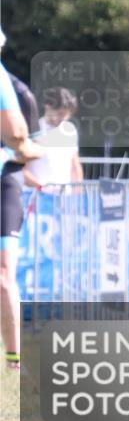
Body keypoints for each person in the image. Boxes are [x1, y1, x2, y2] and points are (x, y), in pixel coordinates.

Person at [0, 56, 41, 371]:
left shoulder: (16, 90)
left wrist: (16, 148)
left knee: (3, 275)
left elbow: (31, 146)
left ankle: (14, 359)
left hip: (5, 182)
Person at [23, 87, 84, 187]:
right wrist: (41, 187)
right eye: (60, 114)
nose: (63, 118)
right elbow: (23, 170)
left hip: (64, 196)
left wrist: (78, 192)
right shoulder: (33, 130)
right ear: (48, 107)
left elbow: (75, 165)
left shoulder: (70, 129)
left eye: (67, 115)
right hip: (38, 195)